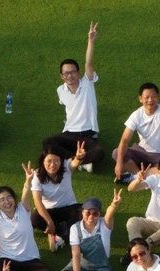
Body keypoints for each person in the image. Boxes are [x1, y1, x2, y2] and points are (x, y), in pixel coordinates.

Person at [42, 22, 104, 171]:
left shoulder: (87, 83)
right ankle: (80, 160)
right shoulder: (60, 90)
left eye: (73, 72)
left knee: (99, 152)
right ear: (61, 76)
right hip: (69, 134)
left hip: (88, 134)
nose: (70, 75)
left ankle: (76, 160)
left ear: (78, 72)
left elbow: (89, 63)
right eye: (66, 73)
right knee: (48, 143)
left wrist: (91, 41)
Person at [113, 69, 160, 183]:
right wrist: (119, 163)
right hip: (140, 151)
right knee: (117, 153)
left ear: (158, 97)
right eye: (146, 97)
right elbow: (125, 140)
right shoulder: (136, 115)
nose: (150, 100)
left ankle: (134, 178)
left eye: (153, 96)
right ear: (140, 99)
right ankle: (140, 175)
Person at [0, 184, 54, 271]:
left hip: (31, 259)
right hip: (8, 258)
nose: (6, 202)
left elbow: (26, 192)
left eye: (9, 197)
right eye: (2, 200)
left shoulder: (23, 208)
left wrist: (28, 180)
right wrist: (0, 246)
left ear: (14, 199)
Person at [64, 192, 121, 271]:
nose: (91, 216)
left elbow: (110, 213)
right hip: (81, 264)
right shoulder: (75, 228)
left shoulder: (105, 225)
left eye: (95, 213)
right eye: (88, 213)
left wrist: (114, 205)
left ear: (99, 214)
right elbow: (75, 255)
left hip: (101, 267)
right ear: (82, 212)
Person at [28, 146, 85, 251]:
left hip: (70, 208)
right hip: (49, 211)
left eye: (56, 161)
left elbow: (75, 163)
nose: (52, 165)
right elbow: (37, 201)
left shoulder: (66, 167)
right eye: (49, 161)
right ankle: (60, 231)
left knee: (84, 213)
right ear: (43, 161)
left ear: (61, 161)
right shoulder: (37, 175)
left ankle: (58, 234)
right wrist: (49, 222)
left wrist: (79, 157)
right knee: (34, 219)